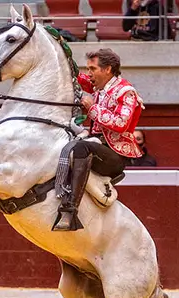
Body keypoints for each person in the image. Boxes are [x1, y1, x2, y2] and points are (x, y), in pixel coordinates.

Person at [52, 48, 145, 231]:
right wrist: (61, 51)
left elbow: (121, 124)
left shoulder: (126, 91)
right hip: (97, 145)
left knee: (81, 149)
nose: (89, 74)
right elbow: (77, 77)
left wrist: (93, 108)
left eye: (93, 69)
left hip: (114, 155)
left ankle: (70, 211)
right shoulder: (100, 88)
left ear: (107, 69)